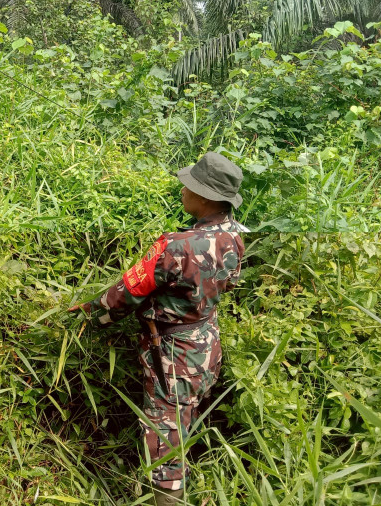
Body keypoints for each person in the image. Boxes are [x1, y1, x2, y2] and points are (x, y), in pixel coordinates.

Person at [68, 152, 248, 505]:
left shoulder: (176, 246)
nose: (183, 189)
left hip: (173, 353)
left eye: (190, 185)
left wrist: (88, 315)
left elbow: (127, 293)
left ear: (206, 197)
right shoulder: (234, 237)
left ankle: (166, 499)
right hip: (206, 343)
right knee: (187, 417)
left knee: (164, 435)